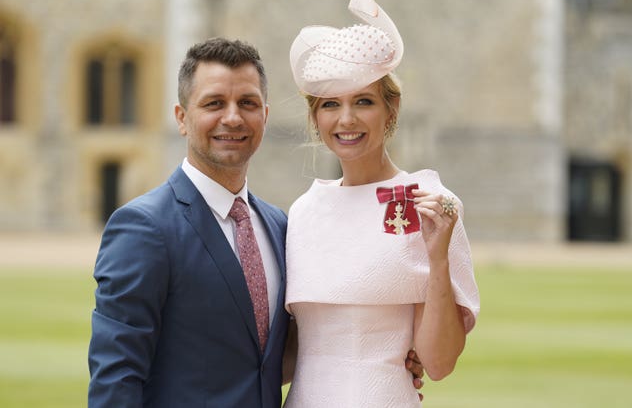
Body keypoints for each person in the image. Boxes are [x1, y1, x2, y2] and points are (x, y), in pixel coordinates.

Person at [87, 37, 424, 408]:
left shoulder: (280, 224)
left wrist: (396, 349)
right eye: (214, 103)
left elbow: (281, 351)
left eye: (246, 103)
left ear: (263, 116)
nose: (232, 117)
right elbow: (116, 377)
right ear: (182, 118)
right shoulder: (144, 227)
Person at [284, 0, 481, 407]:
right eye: (330, 104)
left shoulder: (432, 202)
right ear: (315, 117)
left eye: (364, 101)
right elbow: (290, 351)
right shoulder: (302, 212)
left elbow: (439, 362)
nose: (347, 119)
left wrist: (438, 258)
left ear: (390, 110)